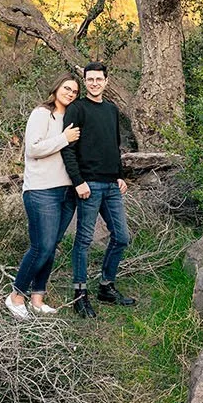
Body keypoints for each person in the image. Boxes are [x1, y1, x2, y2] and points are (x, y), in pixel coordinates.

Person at [61, 61, 135, 319]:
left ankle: (106, 286)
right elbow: (67, 149)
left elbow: (114, 146)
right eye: (89, 79)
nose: (94, 83)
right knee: (83, 240)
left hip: (112, 186)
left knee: (121, 237)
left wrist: (120, 176)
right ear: (85, 82)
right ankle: (80, 296)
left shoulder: (112, 110)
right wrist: (78, 181)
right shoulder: (77, 109)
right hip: (88, 185)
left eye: (98, 79)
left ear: (106, 81)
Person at [5, 73, 81, 320]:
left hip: (66, 191)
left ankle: (37, 298)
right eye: (67, 88)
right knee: (42, 246)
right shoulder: (42, 113)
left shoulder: (69, 118)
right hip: (41, 190)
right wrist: (63, 138)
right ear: (56, 87)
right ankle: (16, 295)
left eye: (74, 92)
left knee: (51, 247)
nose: (70, 93)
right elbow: (33, 149)